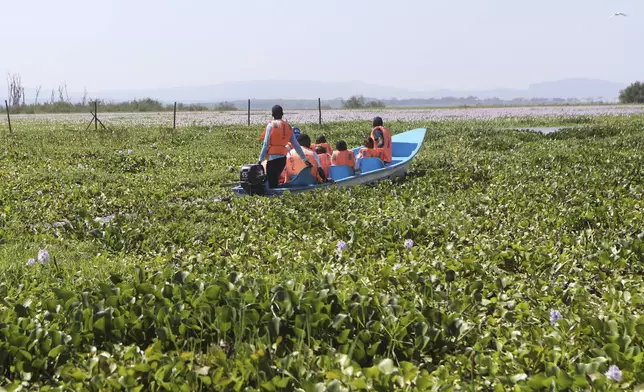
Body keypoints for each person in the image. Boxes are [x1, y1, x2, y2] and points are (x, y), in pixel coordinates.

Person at [258, 105, 311, 188]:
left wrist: (260, 160)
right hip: (282, 159)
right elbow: (296, 145)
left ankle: (274, 197)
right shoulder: (289, 127)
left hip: (272, 159)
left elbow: (265, 144)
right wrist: (304, 159)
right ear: (282, 114)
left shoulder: (270, 126)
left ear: (272, 115)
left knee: (272, 184)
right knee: (275, 181)